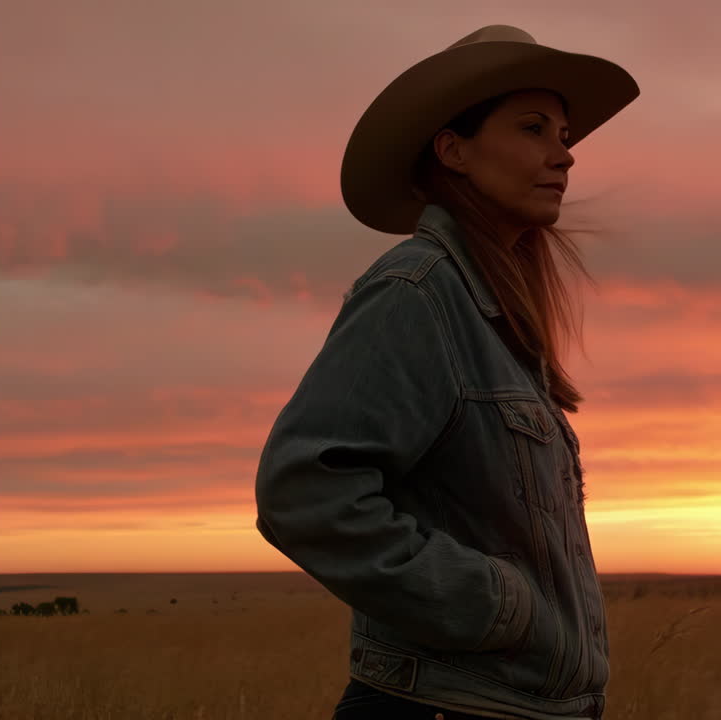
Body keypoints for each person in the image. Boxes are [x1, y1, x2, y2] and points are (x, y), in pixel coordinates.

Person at [253, 24, 639, 720]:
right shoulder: (416, 292)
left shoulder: (493, 316)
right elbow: (303, 489)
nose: (564, 155)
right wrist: (493, 604)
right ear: (453, 149)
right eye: (534, 129)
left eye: (565, 135)